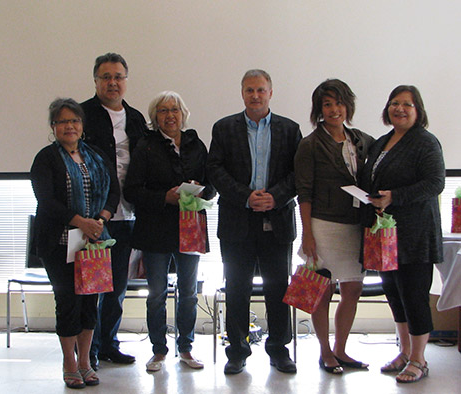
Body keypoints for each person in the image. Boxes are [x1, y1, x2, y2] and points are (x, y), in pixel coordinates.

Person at [207, 69, 302, 375]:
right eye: (250, 90)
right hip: (238, 220)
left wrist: (276, 196)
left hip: (278, 220)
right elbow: (215, 170)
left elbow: (298, 173)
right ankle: (237, 351)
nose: (256, 95)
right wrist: (246, 196)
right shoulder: (224, 128)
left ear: (270, 93)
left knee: (278, 288)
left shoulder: (290, 129)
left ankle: (279, 350)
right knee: (237, 289)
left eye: (261, 90)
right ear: (242, 93)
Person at [30, 98, 120, 388]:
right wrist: (82, 222)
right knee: (68, 301)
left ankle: (85, 362)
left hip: (94, 242)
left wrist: (101, 221)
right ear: (53, 127)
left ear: (82, 126)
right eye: (63, 121)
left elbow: (113, 192)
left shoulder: (95, 156)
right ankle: (69, 363)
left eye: (75, 121)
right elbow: (46, 201)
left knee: (89, 303)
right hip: (58, 244)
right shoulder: (46, 158)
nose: (70, 126)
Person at [124, 91, 215, 372]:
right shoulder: (145, 145)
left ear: (183, 113)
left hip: (190, 227)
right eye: (163, 111)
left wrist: (199, 190)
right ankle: (158, 350)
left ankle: (185, 348)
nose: (170, 115)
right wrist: (165, 197)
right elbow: (132, 190)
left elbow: (212, 186)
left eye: (174, 109)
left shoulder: (195, 144)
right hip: (155, 229)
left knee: (188, 292)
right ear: (155, 117)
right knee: (157, 294)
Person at [361, 85, 445, 383]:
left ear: (418, 110)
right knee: (394, 294)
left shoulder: (425, 142)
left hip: (415, 234)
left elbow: (435, 183)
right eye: (394, 103)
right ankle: (405, 352)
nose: (399, 109)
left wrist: (394, 196)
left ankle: (420, 360)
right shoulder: (382, 142)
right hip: (385, 236)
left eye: (407, 104)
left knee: (414, 296)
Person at [294, 79, 374, 374]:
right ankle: (325, 351)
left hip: (355, 226)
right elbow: (304, 191)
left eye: (339, 103)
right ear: (319, 109)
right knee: (321, 290)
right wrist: (307, 233)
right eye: (327, 104)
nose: (334, 109)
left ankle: (341, 350)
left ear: (347, 106)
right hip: (323, 225)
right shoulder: (310, 144)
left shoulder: (363, 140)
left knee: (352, 289)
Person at [81, 53, 148, 370]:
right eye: (105, 76)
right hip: (95, 217)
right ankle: (88, 349)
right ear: (95, 80)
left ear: (125, 79)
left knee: (118, 286)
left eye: (118, 76)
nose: (112, 82)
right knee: (92, 287)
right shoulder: (81, 115)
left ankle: (109, 343)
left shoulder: (135, 118)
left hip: (128, 216)